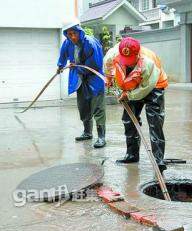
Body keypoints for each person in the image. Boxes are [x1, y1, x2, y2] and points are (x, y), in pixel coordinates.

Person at [104, 37, 168, 174]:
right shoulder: (113, 54)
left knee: (155, 122)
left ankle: (158, 160)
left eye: (130, 60)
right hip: (132, 85)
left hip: (154, 85)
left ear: (138, 55)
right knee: (129, 120)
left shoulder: (149, 63)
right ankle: (132, 155)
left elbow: (146, 88)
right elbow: (108, 65)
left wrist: (128, 95)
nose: (126, 63)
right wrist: (109, 77)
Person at [57, 23, 106, 148]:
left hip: (94, 78)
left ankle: (101, 137)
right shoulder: (68, 43)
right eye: (69, 34)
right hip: (79, 78)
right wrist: (60, 65)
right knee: (83, 106)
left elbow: (96, 64)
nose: (72, 37)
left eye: (74, 34)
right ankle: (87, 132)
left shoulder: (90, 43)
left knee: (97, 108)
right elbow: (63, 55)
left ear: (79, 32)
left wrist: (77, 67)